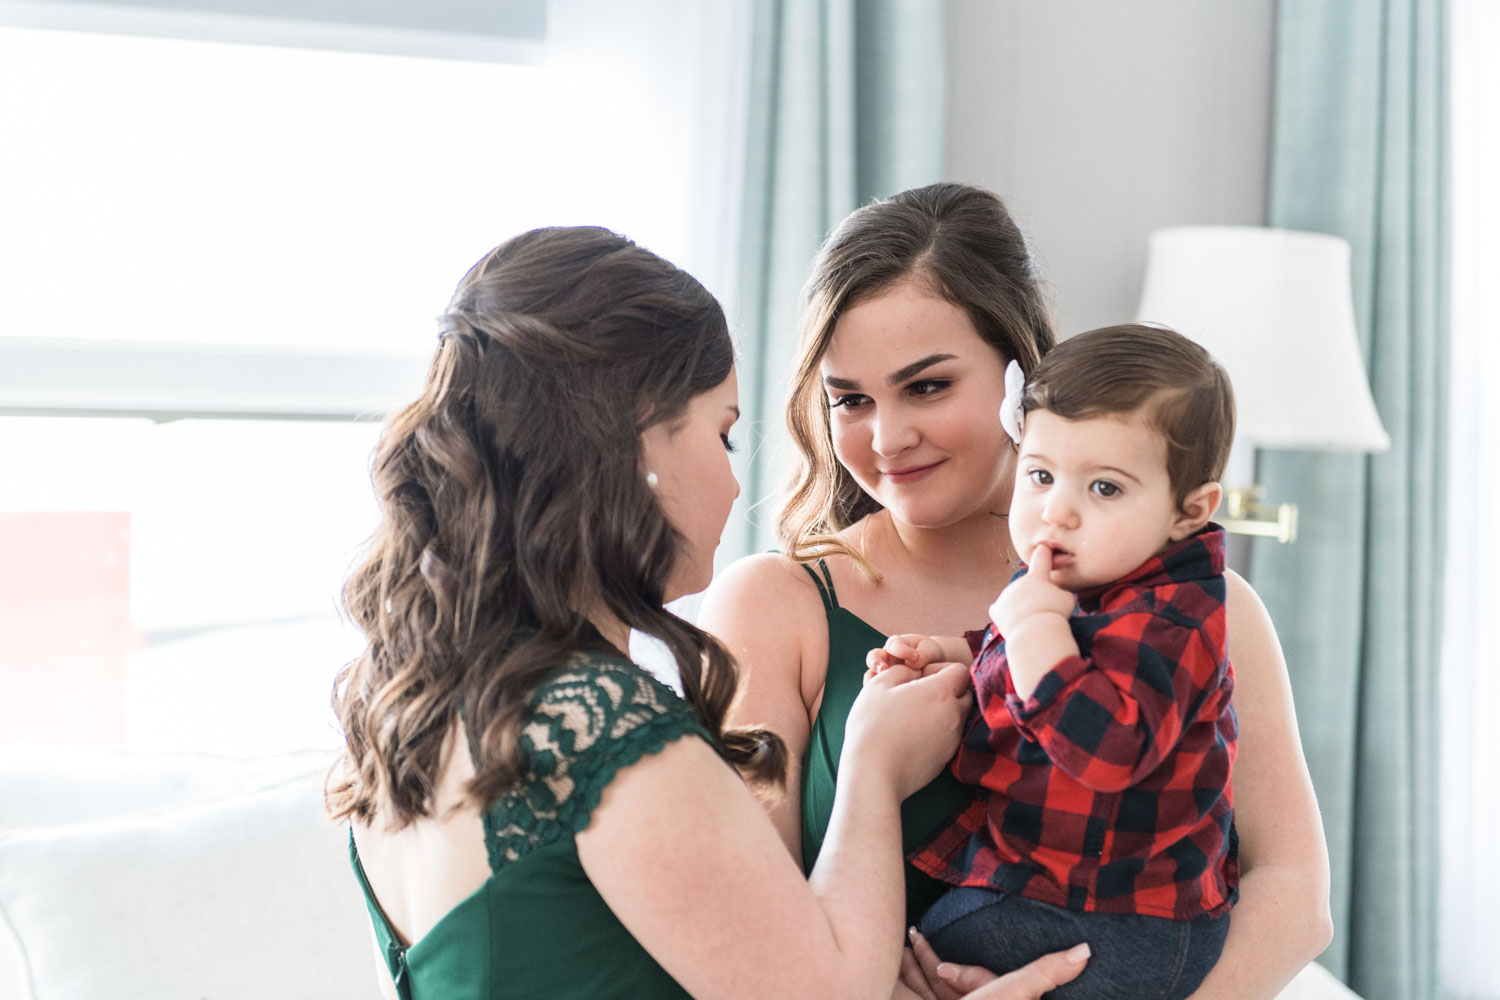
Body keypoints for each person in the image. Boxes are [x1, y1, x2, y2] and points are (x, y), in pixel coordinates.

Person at [325, 225, 1087, 1000]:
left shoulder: (422, 708)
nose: (734, 485)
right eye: (722, 435)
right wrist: (874, 764)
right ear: (638, 442)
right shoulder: (601, 726)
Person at [698, 183, 1333, 999]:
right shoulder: (773, 606)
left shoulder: (1209, 607)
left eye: (927, 386)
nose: (887, 438)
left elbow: (1292, 895)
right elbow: (751, 937)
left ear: (1021, 380)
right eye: (850, 400)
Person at [869, 324, 1239, 998]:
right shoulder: (1091, 581)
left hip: (1126, 917)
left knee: (904, 947)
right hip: (1087, 898)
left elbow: (1107, 747)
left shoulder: (1173, 617)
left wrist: (1033, 624)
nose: (1056, 512)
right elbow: (1044, 656)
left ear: (1191, 511)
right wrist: (957, 650)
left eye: (1104, 489)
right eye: (1039, 475)